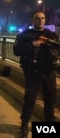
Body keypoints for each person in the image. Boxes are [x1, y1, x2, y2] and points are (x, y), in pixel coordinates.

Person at [13, 10, 60, 138]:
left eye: (43, 18)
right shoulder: (25, 35)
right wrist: (32, 45)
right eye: (37, 18)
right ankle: (24, 127)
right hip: (32, 72)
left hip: (48, 72)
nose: (40, 21)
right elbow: (16, 51)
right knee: (29, 100)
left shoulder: (52, 35)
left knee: (50, 100)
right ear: (32, 20)